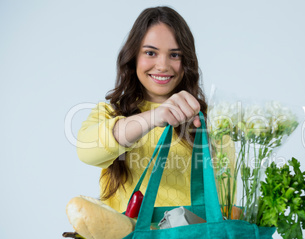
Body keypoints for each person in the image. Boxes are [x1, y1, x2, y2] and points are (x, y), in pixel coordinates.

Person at [77, 6, 208, 213]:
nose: (163, 65)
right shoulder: (110, 114)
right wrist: (153, 117)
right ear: (133, 57)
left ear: (187, 62)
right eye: (150, 53)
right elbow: (86, 151)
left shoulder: (205, 121)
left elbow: (223, 197)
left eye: (175, 55)